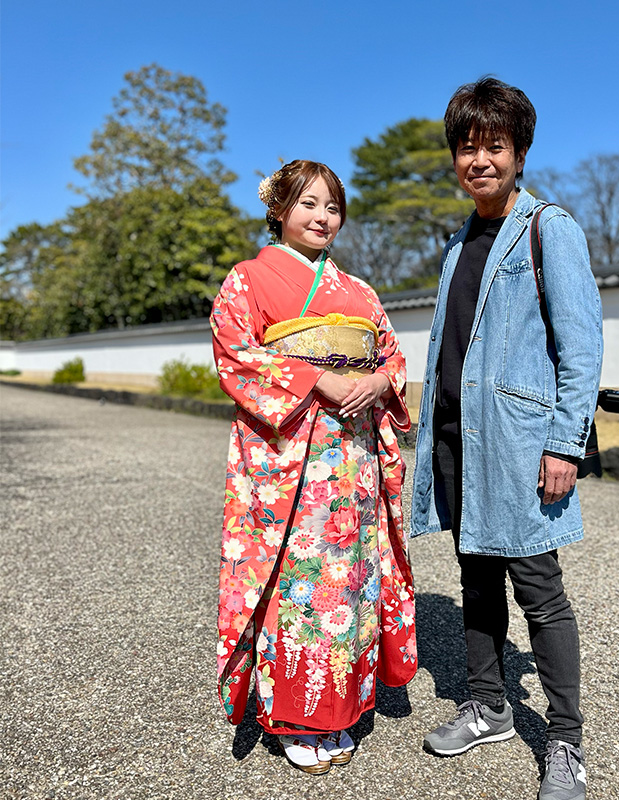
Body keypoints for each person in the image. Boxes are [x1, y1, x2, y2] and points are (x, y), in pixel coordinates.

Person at [410, 78, 603, 800]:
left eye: (495, 145)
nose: (480, 159)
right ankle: (489, 705)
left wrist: (565, 443)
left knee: (540, 591)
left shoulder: (550, 226)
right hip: (461, 437)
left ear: (519, 153)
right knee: (475, 578)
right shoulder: (458, 242)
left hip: (523, 443)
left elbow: (581, 348)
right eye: (468, 147)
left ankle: (565, 742)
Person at [211, 160, 416, 775]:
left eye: (331, 206)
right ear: (278, 210)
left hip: (350, 456)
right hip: (290, 453)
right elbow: (234, 352)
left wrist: (380, 379)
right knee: (294, 576)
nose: (322, 217)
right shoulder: (249, 279)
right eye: (307, 204)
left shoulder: (361, 292)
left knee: (349, 576)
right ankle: (296, 715)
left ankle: (343, 706)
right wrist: (316, 377)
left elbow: (393, 353)